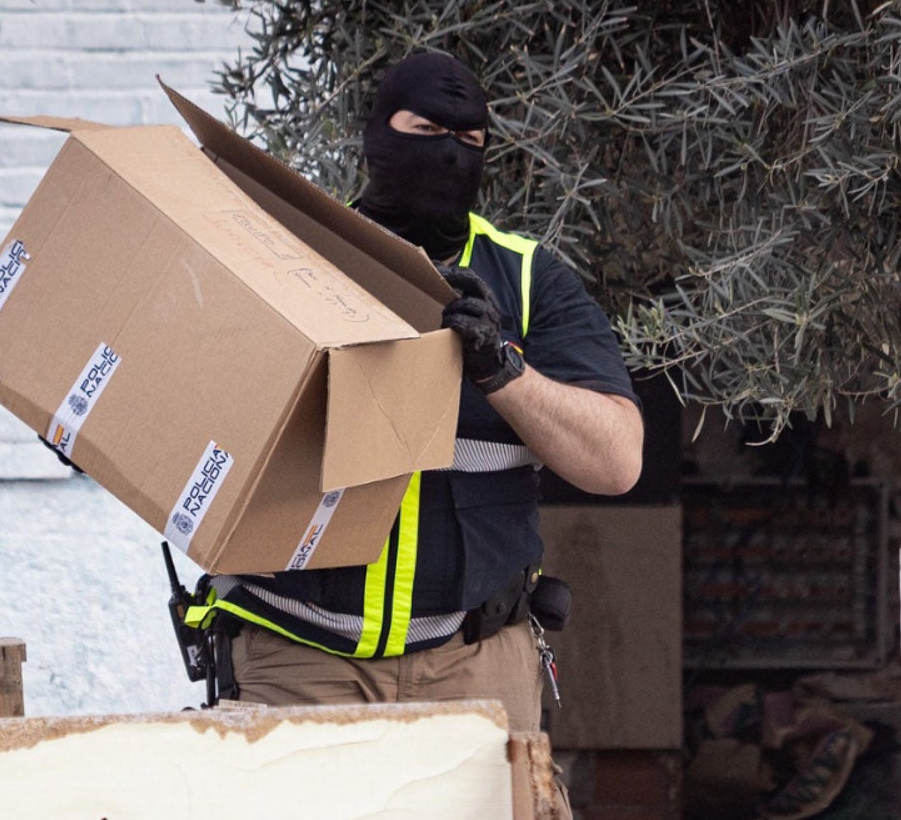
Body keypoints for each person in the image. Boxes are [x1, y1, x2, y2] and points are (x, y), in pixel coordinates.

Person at [198, 51, 644, 729]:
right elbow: (184, 399)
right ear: (377, 134)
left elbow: (616, 461)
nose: (449, 157)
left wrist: (502, 369)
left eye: (470, 143)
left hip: (473, 667)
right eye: (427, 131)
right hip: (298, 663)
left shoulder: (526, 280)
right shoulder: (288, 258)